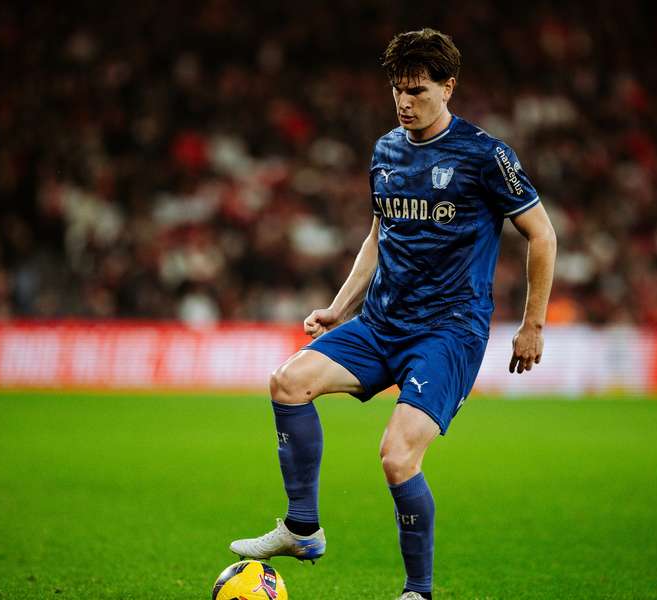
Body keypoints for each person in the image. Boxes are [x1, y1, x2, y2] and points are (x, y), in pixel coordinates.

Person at [229, 28, 557, 600]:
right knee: (287, 382)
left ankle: (417, 591)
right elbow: (380, 236)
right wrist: (338, 308)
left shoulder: (485, 155)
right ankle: (302, 528)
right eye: (397, 91)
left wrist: (533, 325)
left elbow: (542, 234)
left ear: (448, 86)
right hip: (382, 322)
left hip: (449, 331)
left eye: (418, 91)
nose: (405, 102)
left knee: (397, 455)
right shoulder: (385, 150)